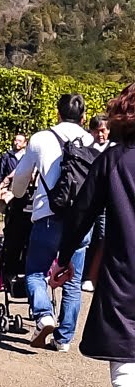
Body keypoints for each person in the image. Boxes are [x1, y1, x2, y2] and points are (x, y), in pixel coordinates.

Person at [49, 84, 135, 387]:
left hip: (125, 275)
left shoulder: (113, 160)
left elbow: (82, 210)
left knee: (126, 366)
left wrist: (65, 257)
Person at [10, 94, 95, 351]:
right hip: (81, 221)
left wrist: (17, 194)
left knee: (36, 271)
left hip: (47, 216)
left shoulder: (40, 138)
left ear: (57, 114)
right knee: (72, 278)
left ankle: (44, 314)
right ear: (83, 117)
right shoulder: (92, 141)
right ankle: (63, 339)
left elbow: (21, 180)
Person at [82, 115, 112, 293]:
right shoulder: (86, 149)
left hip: (106, 204)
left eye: (103, 130)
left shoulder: (114, 149)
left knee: (102, 238)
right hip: (89, 202)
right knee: (84, 239)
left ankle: (94, 276)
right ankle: (82, 273)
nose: (100, 134)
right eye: (96, 131)